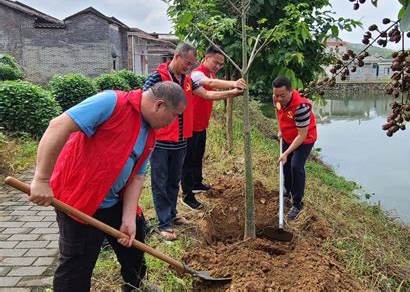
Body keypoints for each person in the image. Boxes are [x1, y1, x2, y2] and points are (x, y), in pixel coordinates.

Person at [28, 81, 187, 292]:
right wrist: (41, 180)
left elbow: (137, 177)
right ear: (159, 105)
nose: (173, 122)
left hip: (114, 200)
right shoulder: (112, 102)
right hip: (80, 201)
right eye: (174, 115)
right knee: (76, 265)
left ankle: (135, 286)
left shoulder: (149, 133)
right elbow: (59, 125)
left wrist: (129, 217)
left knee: (134, 248)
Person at [143, 43, 242, 241]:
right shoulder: (157, 78)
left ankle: (172, 215)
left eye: (191, 63)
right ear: (176, 56)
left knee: (173, 181)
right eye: (187, 62)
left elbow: (207, 95)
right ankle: (164, 223)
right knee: (160, 182)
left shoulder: (187, 80)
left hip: (181, 138)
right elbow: (143, 101)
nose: (188, 66)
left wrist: (232, 92)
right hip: (162, 139)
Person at [181, 45, 246, 209]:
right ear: (206, 58)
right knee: (188, 161)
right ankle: (187, 194)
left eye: (221, 64)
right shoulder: (197, 74)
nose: (218, 66)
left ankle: (197, 183)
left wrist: (232, 91)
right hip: (190, 125)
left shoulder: (210, 73)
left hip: (201, 125)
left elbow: (211, 93)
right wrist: (233, 84)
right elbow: (210, 85)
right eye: (215, 62)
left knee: (198, 156)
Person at [272, 76, 317, 221]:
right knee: (286, 165)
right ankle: (288, 189)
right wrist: (280, 129)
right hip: (288, 135)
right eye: (276, 95)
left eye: (282, 95)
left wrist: (286, 152)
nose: (279, 98)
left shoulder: (301, 108)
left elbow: (302, 135)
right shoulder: (277, 98)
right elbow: (278, 113)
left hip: (304, 140)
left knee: (296, 166)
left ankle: (297, 204)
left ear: (291, 91)